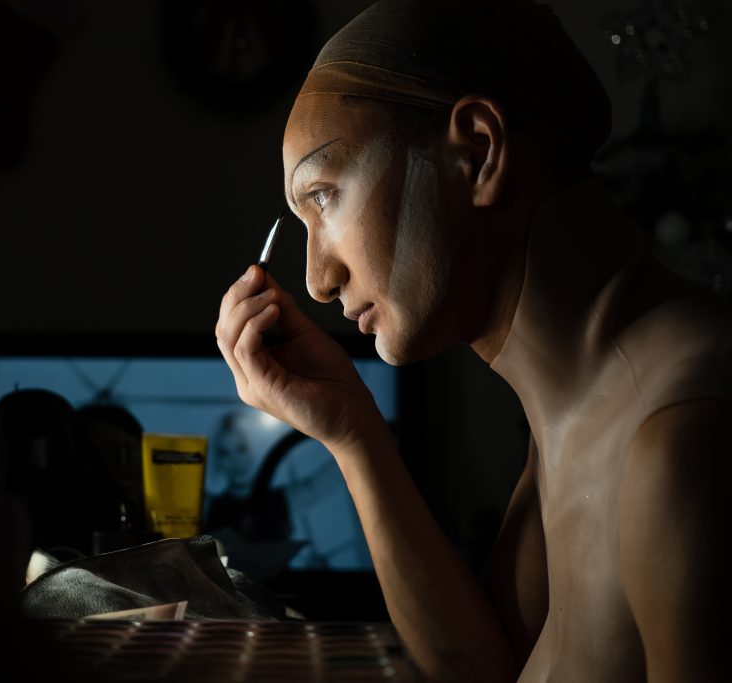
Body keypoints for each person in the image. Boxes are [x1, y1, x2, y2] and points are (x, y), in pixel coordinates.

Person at [215, 1, 731, 681]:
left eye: (326, 195)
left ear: (479, 151)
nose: (316, 279)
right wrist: (352, 430)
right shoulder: (578, 413)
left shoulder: (685, 441)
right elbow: (484, 668)